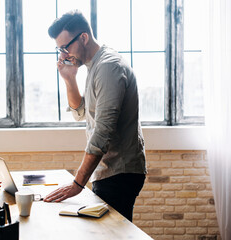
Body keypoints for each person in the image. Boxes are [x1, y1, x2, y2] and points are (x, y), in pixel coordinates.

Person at [43, 10, 147, 222]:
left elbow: (102, 132)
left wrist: (77, 184)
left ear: (83, 37)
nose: (63, 55)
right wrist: (70, 79)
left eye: (66, 47)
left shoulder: (108, 66)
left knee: (112, 235)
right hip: (108, 171)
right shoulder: (94, 66)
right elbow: (81, 113)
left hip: (120, 172)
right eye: (59, 49)